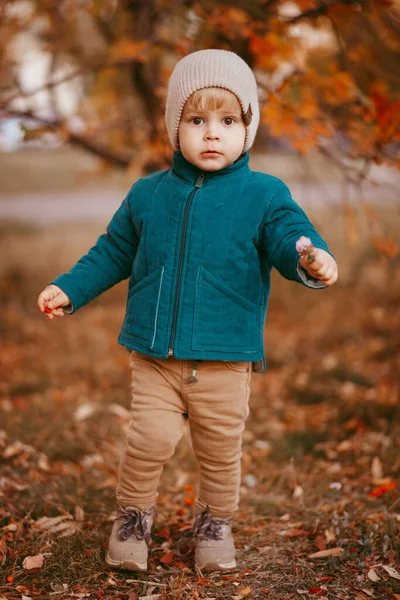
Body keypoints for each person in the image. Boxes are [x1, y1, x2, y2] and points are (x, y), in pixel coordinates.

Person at [37, 49, 338, 573]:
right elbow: (112, 251)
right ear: (176, 127)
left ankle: (214, 524)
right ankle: (132, 518)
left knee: (221, 452)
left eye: (227, 121)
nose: (212, 134)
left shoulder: (264, 195)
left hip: (226, 358)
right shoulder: (148, 194)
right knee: (148, 440)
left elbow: (291, 239)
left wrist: (311, 259)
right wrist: (70, 288)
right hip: (155, 355)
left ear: (248, 127)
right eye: (197, 120)